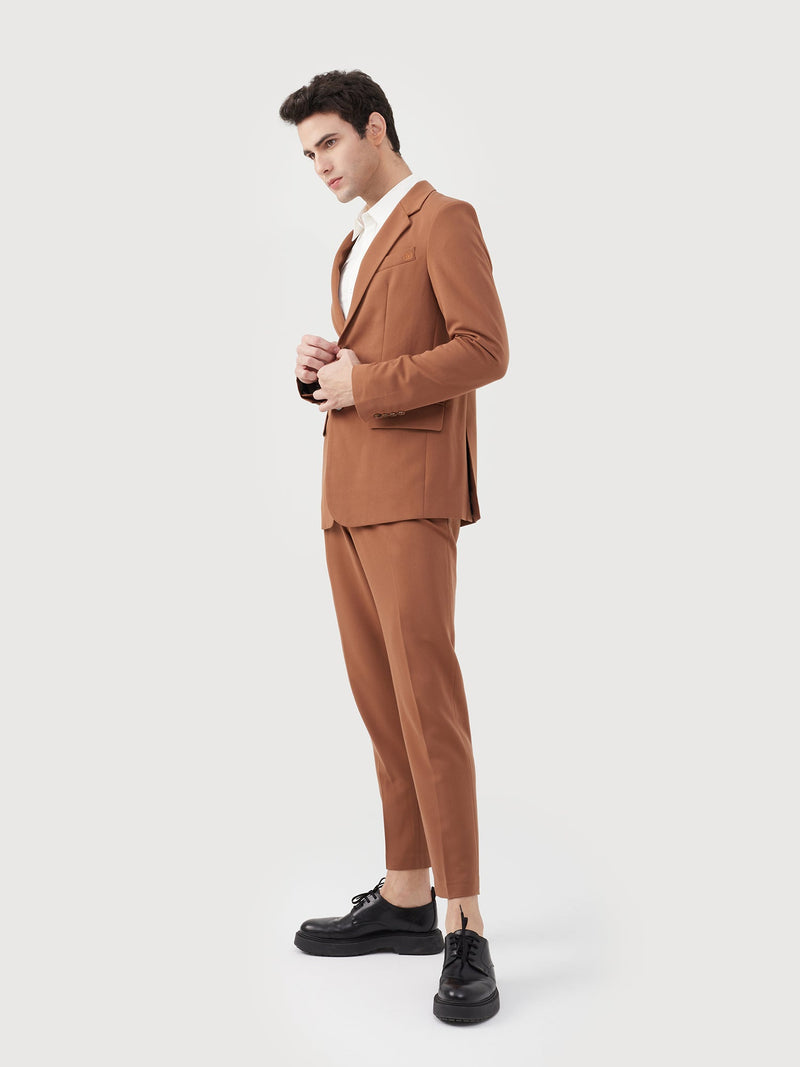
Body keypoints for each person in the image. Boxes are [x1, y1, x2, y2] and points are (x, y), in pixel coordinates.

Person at [278, 69, 509, 1025]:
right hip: (347, 496)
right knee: (382, 705)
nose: (320, 166)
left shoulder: (442, 218)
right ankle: (408, 891)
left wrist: (366, 384)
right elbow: (376, 356)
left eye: (329, 143)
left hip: (412, 498)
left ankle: (467, 922)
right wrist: (323, 371)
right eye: (308, 155)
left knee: (428, 704)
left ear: (376, 127)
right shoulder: (355, 240)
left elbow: (485, 348)